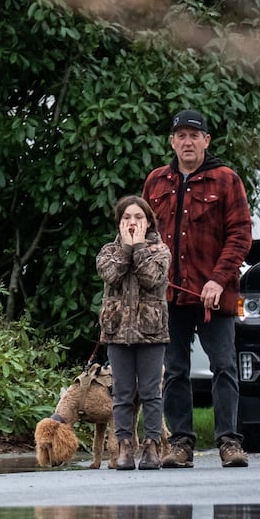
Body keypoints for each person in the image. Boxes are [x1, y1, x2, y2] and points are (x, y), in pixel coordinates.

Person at [142, 109, 252, 468]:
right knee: (173, 370)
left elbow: (240, 234)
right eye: (181, 135)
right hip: (170, 296)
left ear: (206, 141)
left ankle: (229, 443)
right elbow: (144, 236)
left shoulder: (226, 179)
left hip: (213, 295)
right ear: (172, 141)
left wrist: (218, 279)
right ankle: (181, 444)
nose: (187, 142)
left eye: (195, 135)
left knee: (224, 367)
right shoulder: (156, 182)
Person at [96, 195, 171, 470]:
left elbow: (151, 278)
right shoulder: (108, 251)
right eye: (127, 218)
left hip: (151, 332)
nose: (132, 223)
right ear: (119, 222)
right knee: (123, 393)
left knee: (151, 391)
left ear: (149, 221)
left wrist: (139, 247)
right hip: (117, 332)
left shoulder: (161, 251)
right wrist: (126, 250)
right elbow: (111, 275)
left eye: (139, 218)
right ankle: (124, 446)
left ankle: (152, 446)